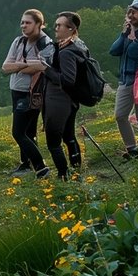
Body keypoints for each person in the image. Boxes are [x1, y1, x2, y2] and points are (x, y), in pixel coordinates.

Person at [1, 9, 50, 177]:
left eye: (28, 22)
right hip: (16, 89)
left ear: (39, 24)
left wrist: (19, 64)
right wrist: (26, 64)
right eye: (22, 22)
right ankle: (25, 164)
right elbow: (5, 68)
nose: (23, 26)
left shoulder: (45, 43)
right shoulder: (19, 41)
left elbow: (43, 67)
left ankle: (41, 167)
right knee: (29, 131)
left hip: (32, 93)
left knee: (18, 132)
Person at [40, 11, 87, 180]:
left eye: (60, 25)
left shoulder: (67, 52)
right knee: (69, 137)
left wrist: (45, 69)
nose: (56, 27)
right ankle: (76, 173)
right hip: (70, 100)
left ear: (71, 29)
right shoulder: (78, 46)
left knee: (53, 142)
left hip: (59, 100)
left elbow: (67, 80)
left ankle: (64, 175)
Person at [110, 0, 138, 159]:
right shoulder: (128, 33)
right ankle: (132, 150)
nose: (131, 14)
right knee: (120, 115)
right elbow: (114, 51)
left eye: (136, 11)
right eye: (130, 10)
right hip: (125, 80)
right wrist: (124, 34)